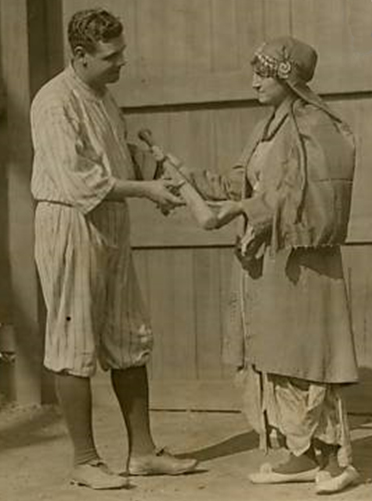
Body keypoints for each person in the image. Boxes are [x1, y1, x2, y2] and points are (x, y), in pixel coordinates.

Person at [175, 37, 360, 495]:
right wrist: (183, 178)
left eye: (263, 73)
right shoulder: (267, 129)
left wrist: (239, 213)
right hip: (269, 265)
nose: (254, 80)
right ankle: (300, 454)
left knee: (310, 360)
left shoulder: (318, 128)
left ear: (287, 76)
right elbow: (242, 182)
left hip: (304, 265)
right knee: (277, 358)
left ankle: (336, 461)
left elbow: (299, 198)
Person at [30, 8, 197, 490]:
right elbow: (78, 179)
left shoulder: (104, 97)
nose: (122, 62)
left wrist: (152, 178)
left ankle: (141, 453)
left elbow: (112, 160)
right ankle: (85, 460)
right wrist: (144, 192)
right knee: (72, 339)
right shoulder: (53, 102)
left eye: (122, 51)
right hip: (68, 221)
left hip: (109, 221)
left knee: (129, 334)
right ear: (79, 56)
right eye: (111, 55)